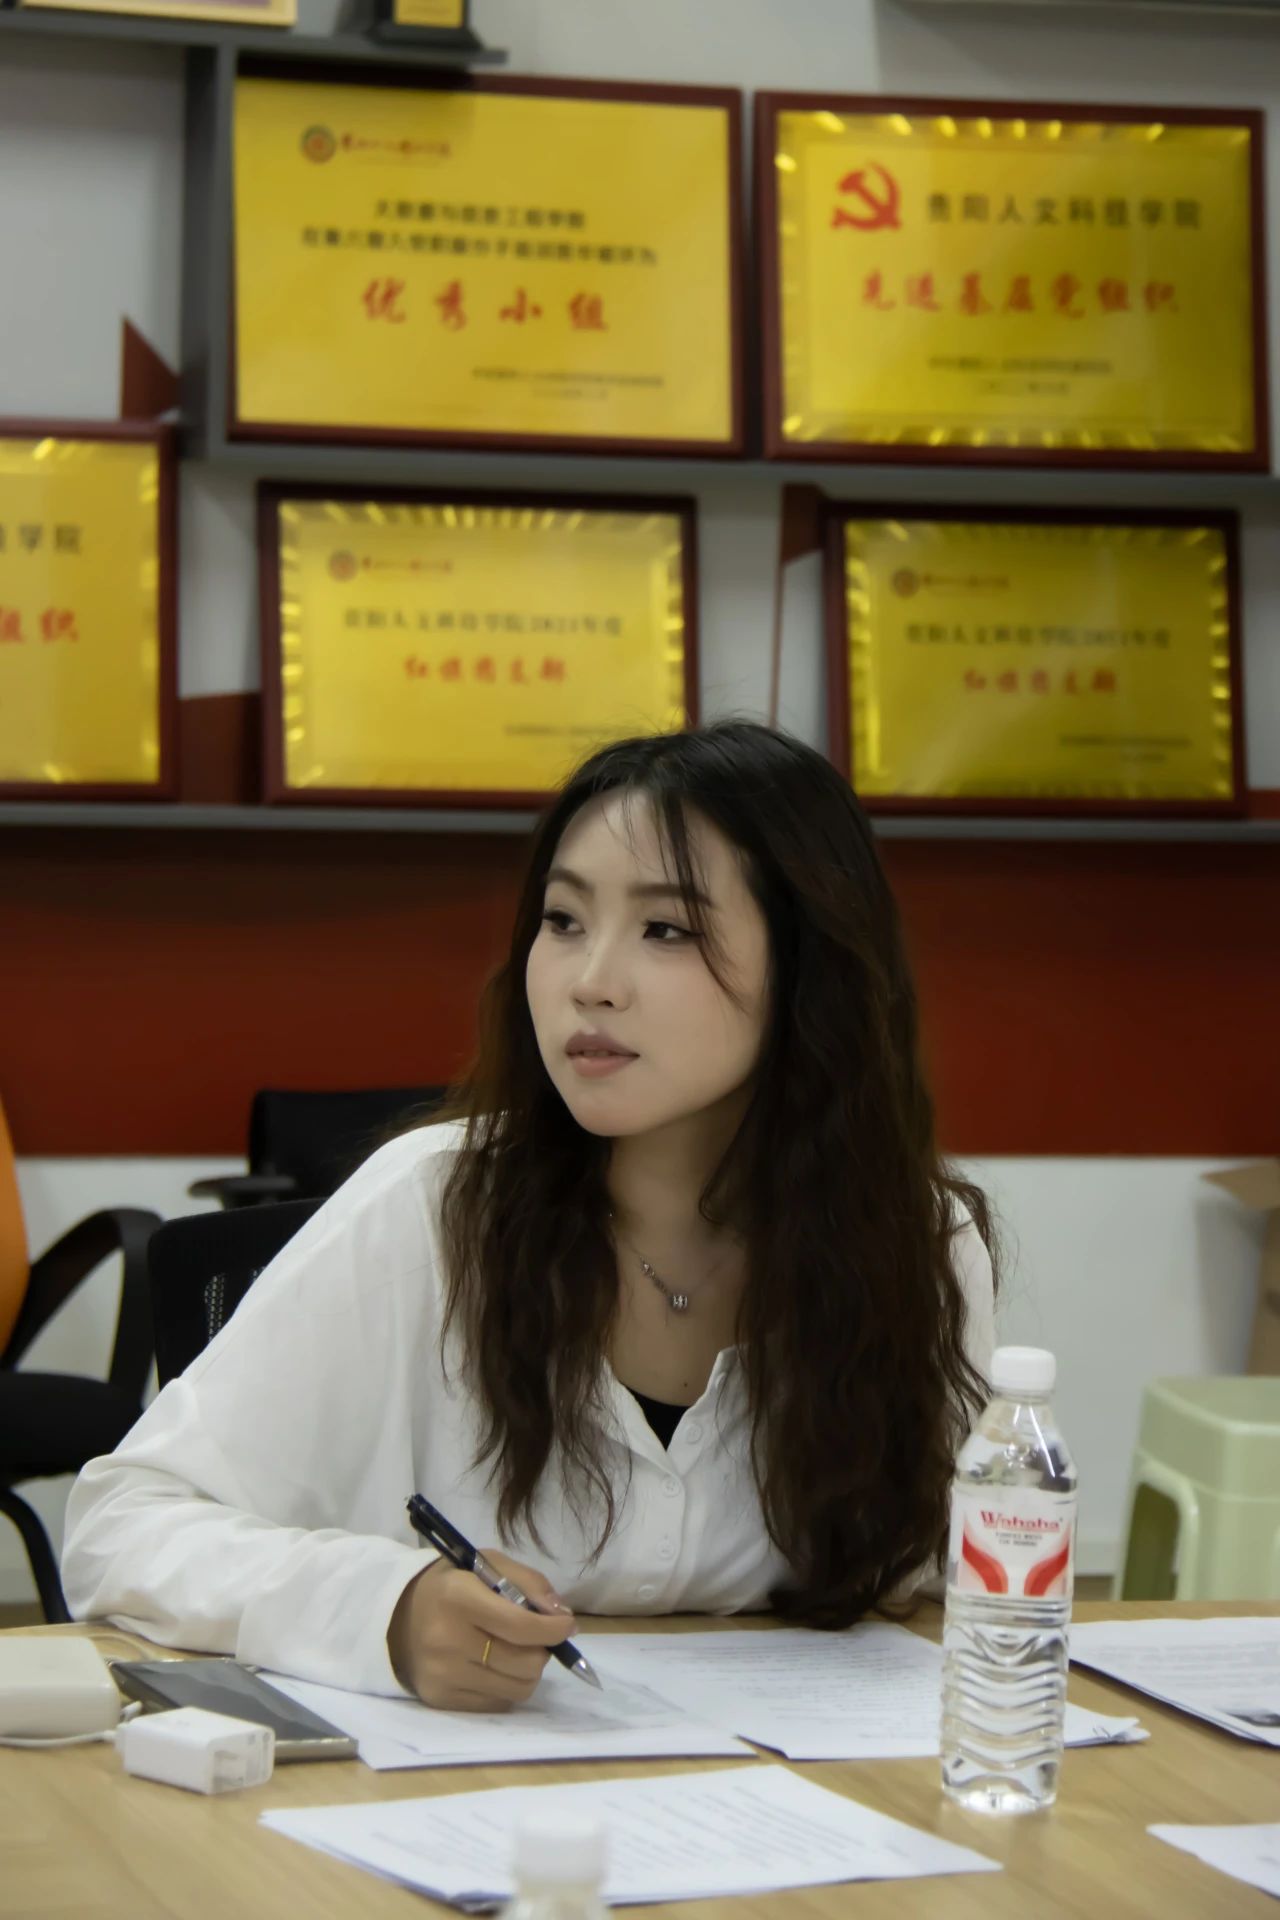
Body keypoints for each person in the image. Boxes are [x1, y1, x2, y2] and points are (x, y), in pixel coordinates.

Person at [62, 722, 996, 1712]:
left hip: (801, 1788)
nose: (590, 980)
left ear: (808, 966)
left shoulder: (914, 1242)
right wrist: (387, 1608)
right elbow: (122, 1524)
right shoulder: (429, 1208)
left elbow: (945, 1577)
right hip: (449, 1783)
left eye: (665, 929)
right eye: (563, 920)